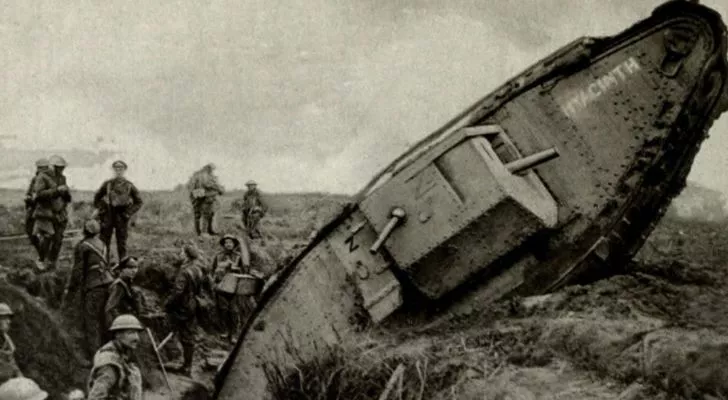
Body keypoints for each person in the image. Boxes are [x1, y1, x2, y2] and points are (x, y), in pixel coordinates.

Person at [63, 219, 114, 360]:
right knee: (105, 320)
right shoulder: (102, 244)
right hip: (108, 284)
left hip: (94, 287)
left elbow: (78, 271)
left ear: (84, 231)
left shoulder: (83, 246)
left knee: (91, 322)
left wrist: (70, 290)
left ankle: (95, 357)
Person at [164, 244, 206, 376]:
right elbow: (200, 290)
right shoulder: (198, 269)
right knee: (188, 335)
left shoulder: (184, 271)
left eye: (182, 253)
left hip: (182, 307)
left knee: (171, 329)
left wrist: (167, 304)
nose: (180, 255)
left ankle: (176, 360)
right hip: (193, 305)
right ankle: (187, 365)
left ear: (187, 256)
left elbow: (178, 292)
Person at [93, 160, 143, 262]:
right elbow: (97, 198)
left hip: (122, 216)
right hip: (108, 215)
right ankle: (104, 264)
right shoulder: (108, 184)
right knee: (104, 242)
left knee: (122, 243)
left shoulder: (129, 186)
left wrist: (128, 213)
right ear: (113, 170)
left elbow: (139, 202)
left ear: (124, 170)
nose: (118, 171)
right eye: (116, 169)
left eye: (121, 169)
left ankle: (123, 265)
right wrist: (101, 209)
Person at [86, 314, 143, 400]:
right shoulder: (110, 363)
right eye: (131, 333)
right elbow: (96, 397)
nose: (136, 338)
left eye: (137, 333)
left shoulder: (123, 356)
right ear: (118, 335)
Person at [211, 234, 251, 342]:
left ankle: (234, 334)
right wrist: (214, 283)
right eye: (226, 243)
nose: (228, 244)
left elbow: (245, 271)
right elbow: (212, 270)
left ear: (234, 244)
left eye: (230, 242)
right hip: (221, 286)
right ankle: (224, 331)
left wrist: (233, 267)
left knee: (234, 311)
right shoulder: (218, 256)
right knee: (223, 310)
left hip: (234, 287)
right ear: (223, 244)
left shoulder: (239, 256)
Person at [46, 155, 72, 270]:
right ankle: (45, 261)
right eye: (59, 167)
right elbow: (42, 195)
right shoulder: (45, 178)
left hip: (60, 212)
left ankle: (52, 262)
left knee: (58, 239)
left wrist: (66, 193)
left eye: (62, 167)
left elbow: (67, 198)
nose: (61, 170)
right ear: (53, 167)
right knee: (47, 239)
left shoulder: (63, 178)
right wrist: (57, 191)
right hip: (48, 213)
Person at [186, 164, 225, 237]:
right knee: (207, 215)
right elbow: (208, 184)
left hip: (198, 198)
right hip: (207, 198)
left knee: (203, 215)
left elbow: (191, 187)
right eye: (212, 169)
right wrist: (219, 188)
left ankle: (202, 231)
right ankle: (204, 232)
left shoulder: (196, 175)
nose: (212, 171)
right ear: (209, 168)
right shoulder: (205, 175)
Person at [105, 256, 142, 327]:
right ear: (122, 269)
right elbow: (109, 309)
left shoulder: (127, 283)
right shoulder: (119, 286)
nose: (134, 270)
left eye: (136, 267)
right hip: (122, 324)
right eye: (130, 267)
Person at [24, 158, 50, 260]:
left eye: (43, 169)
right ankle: (42, 254)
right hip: (34, 210)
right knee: (30, 232)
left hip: (45, 212)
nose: (40, 171)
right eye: (39, 169)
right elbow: (29, 193)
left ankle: (44, 256)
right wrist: (28, 198)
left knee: (47, 234)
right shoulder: (34, 180)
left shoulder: (50, 182)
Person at [0, 303, 22, 384]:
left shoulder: (6, 340)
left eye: (9, 318)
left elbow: (13, 364)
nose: (9, 321)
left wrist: (22, 380)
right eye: (5, 318)